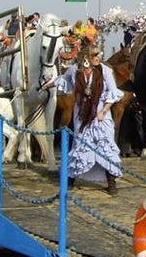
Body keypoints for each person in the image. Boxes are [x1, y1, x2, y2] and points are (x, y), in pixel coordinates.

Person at [42, 44, 124, 195]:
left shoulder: (105, 71)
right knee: (80, 145)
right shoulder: (75, 70)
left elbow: (113, 93)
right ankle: (70, 179)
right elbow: (63, 80)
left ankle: (111, 181)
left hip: (101, 114)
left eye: (99, 55)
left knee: (106, 145)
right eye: (95, 55)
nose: (98, 58)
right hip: (82, 113)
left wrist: (103, 111)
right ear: (87, 57)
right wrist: (47, 86)